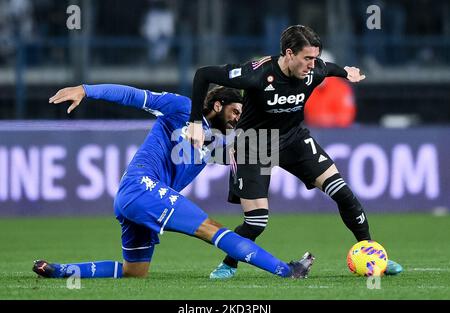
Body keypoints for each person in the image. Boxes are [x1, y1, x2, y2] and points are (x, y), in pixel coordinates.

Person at [32, 83, 315, 279]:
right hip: (141, 186)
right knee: (210, 228)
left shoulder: (219, 141)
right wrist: (86, 90)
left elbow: (248, 152)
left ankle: (61, 270)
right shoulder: (183, 108)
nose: (237, 119)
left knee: (135, 272)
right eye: (235, 112)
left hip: (135, 199)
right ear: (218, 104)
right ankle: (286, 271)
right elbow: (133, 96)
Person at [186, 25, 403, 279]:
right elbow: (202, 74)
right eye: (307, 58)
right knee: (257, 222)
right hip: (253, 145)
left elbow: (329, 69)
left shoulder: (315, 71)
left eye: (315, 58)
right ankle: (228, 264)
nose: (313, 64)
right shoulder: (256, 74)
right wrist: (195, 123)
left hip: (293, 140)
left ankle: (372, 255)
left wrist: (346, 72)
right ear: (289, 54)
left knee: (343, 193)